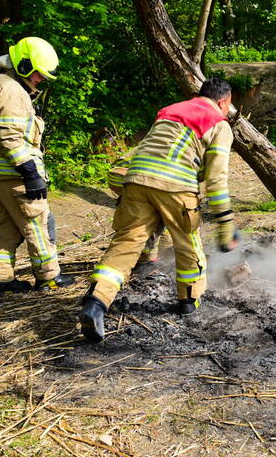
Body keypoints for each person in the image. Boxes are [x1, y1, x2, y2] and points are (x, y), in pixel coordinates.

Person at [79, 78, 239, 342]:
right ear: (224, 101)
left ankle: (96, 301)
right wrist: (226, 224)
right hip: (176, 186)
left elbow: (146, 151)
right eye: (228, 106)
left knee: (125, 244)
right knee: (188, 242)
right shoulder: (219, 123)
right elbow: (217, 179)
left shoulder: (170, 111)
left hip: (137, 180)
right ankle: (188, 301)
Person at [0, 37, 76, 297]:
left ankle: (1, 281)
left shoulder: (4, 85)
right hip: (12, 173)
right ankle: (49, 277)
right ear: (22, 65)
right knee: (37, 225)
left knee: (8, 227)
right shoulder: (10, 91)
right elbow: (10, 138)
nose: (40, 80)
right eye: (37, 74)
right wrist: (30, 172)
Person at [106, 152, 164, 267]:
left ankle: (144, 255)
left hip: (130, 176)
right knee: (142, 221)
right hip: (126, 176)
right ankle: (141, 258)